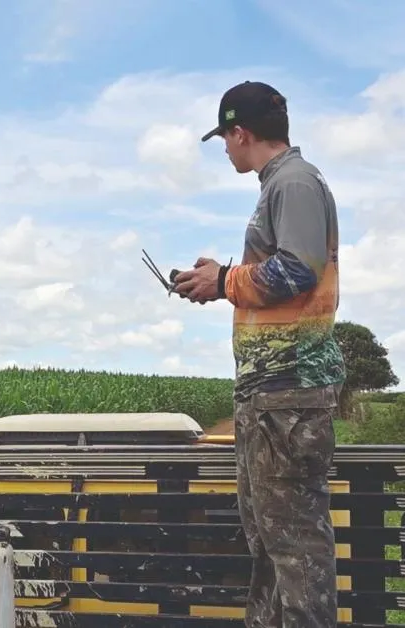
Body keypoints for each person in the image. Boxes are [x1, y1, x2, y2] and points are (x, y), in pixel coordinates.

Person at [172, 80, 346, 628]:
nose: (225, 149)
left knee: (295, 556)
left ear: (240, 132)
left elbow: (297, 269)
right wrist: (217, 277)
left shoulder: (293, 183)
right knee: (272, 550)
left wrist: (224, 281)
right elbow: (276, 270)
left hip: (287, 400)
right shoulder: (282, 184)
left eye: (225, 138)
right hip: (272, 400)